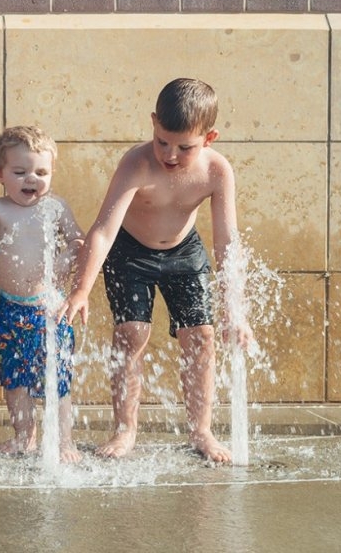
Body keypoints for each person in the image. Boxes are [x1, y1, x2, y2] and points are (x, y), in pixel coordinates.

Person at [59, 78, 253, 463]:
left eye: (185, 147)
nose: (170, 154)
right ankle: (126, 429)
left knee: (201, 335)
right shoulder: (137, 163)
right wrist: (81, 289)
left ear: (209, 138)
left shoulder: (217, 171)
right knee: (132, 333)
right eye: (162, 141)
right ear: (152, 123)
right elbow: (102, 231)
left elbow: (227, 241)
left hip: (185, 252)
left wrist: (236, 307)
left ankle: (202, 431)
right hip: (131, 252)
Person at [0, 126, 84, 463]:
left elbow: (78, 241)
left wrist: (68, 259)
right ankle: (25, 436)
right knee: (14, 380)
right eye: (20, 171)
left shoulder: (56, 207)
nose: (32, 179)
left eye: (42, 172)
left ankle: (64, 441)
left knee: (58, 379)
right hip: (9, 308)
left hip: (51, 308)